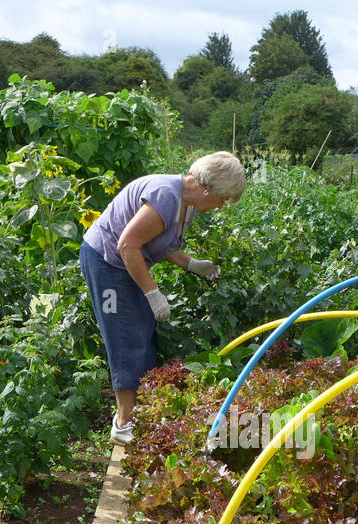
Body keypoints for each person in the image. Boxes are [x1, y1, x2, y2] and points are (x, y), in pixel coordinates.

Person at [80, 151, 247, 444]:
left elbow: (159, 240)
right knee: (124, 335)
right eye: (223, 199)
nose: (221, 206)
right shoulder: (166, 196)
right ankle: (123, 424)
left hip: (127, 263)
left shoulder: (187, 203)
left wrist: (191, 264)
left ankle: (137, 413)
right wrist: (152, 293)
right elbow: (128, 244)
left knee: (143, 330)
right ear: (209, 189)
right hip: (106, 262)